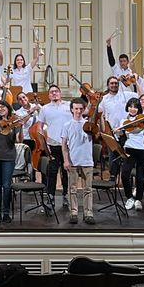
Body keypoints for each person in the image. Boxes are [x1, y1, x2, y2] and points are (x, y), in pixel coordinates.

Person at [37, 83, 70, 212]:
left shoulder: (68, 106)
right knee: (52, 173)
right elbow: (39, 127)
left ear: (60, 93)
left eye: (56, 91)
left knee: (67, 172)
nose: (54, 93)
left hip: (67, 145)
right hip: (52, 145)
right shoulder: (45, 108)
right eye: (51, 92)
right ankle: (50, 197)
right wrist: (44, 145)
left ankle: (66, 195)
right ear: (49, 95)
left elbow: (82, 114)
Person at [61, 98, 95, 225]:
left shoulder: (89, 124)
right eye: (76, 108)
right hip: (73, 161)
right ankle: (73, 212)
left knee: (88, 189)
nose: (78, 111)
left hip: (87, 161)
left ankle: (88, 213)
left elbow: (97, 135)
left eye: (81, 108)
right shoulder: (67, 125)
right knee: (73, 189)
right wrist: (66, 160)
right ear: (72, 109)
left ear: (84, 109)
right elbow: (64, 145)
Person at [99, 75, 135, 178]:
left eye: (116, 83)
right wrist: (104, 131)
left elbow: (141, 96)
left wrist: (135, 82)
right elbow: (101, 115)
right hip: (112, 132)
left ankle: (128, 178)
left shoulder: (125, 95)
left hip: (126, 131)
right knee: (113, 156)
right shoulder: (104, 99)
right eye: (112, 83)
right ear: (108, 85)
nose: (114, 85)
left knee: (127, 155)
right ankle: (113, 178)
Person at [0, 100, 19, 223]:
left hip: (8, 157)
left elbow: (17, 140)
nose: (0, 109)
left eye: (3, 107)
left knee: (6, 186)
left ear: (8, 108)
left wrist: (18, 128)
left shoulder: (14, 121)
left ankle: (6, 213)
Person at [120, 97, 144, 212]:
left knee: (140, 176)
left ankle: (138, 199)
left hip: (143, 149)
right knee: (125, 174)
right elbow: (128, 132)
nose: (132, 109)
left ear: (139, 109)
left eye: (135, 107)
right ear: (127, 107)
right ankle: (129, 197)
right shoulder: (124, 121)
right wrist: (120, 132)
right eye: (130, 106)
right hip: (129, 148)